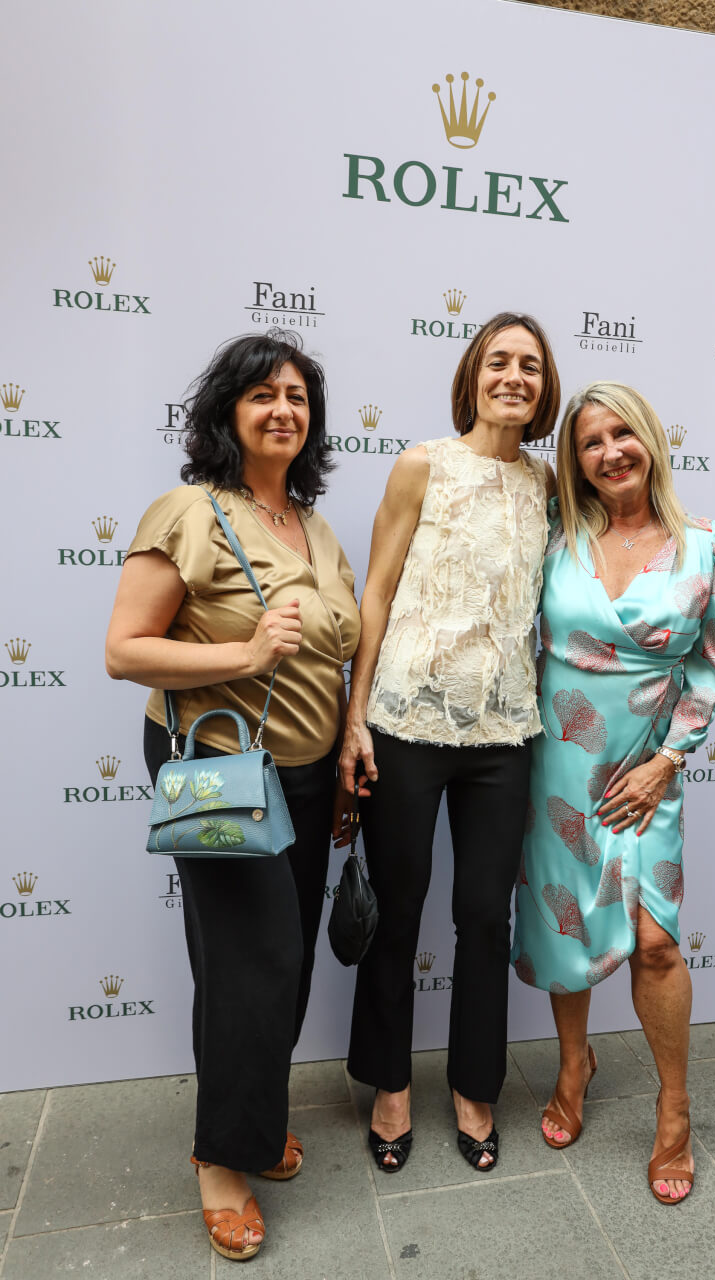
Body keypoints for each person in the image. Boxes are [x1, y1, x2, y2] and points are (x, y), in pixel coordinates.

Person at [105, 332, 360, 1260]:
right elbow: (125, 649)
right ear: (227, 413)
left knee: (280, 968)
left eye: (297, 397)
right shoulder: (188, 511)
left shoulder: (314, 528)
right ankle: (223, 1160)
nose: (283, 410)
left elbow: (332, 654)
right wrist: (245, 655)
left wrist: (340, 757)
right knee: (250, 963)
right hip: (218, 766)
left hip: (300, 771)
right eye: (263, 396)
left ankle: (248, 1123)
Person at [339, 312, 561, 1173]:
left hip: (505, 731)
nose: (514, 376)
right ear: (472, 375)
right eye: (499, 361)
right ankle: (389, 1084)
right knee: (397, 910)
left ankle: (475, 1086)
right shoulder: (420, 464)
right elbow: (378, 594)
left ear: (544, 388)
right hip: (405, 722)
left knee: (482, 916)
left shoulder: (546, 485)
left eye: (531, 367)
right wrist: (354, 718)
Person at [512, 380, 715, 1204]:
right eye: (589, 442)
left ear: (649, 440)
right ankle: (575, 1064)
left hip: (645, 772)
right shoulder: (555, 537)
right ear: (574, 463)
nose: (609, 453)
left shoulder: (704, 547)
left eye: (622, 435)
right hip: (557, 768)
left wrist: (667, 763)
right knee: (568, 925)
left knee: (654, 942)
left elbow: (710, 670)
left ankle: (673, 1109)